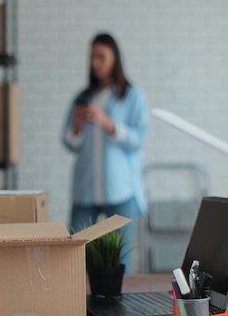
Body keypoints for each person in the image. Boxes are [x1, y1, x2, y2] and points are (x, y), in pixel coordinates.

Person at [62, 33, 148, 274]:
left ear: (114, 59)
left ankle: (122, 307)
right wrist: (77, 127)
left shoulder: (132, 96)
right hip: (85, 189)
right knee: (74, 254)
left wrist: (108, 124)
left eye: (101, 56)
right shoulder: (82, 97)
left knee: (121, 259)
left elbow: (137, 139)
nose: (95, 63)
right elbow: (68, 142)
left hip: (121, 190)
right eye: (92, 57)